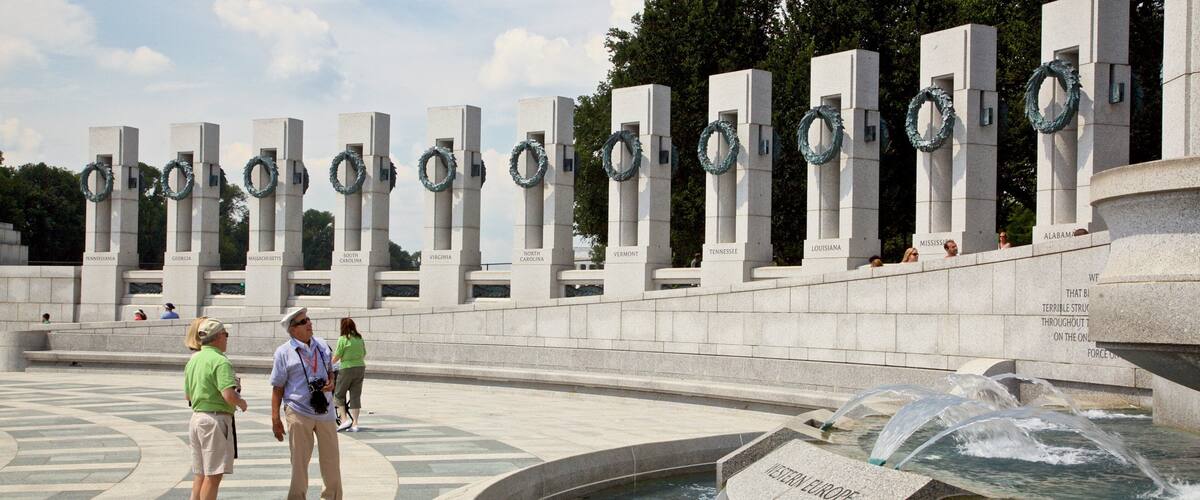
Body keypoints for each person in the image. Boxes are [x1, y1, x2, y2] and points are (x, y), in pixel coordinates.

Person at [270, 307, 342, 500]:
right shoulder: (284, 352)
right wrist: (276, 418)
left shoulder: (321, 344)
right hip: (298, 410)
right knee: (300, 462)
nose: (309, 324)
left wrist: (331, 381)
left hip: (324, 410)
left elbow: (330, 370)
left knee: (332, 460)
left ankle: (332, 497)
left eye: (308, 320)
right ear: (293, 329)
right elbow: (277, 387)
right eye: (303, 322)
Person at [184, 318, 247, 500]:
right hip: (215, 420)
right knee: (213, 476)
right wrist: (241, 402)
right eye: (226, 335)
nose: (227, 338)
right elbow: (228, 395)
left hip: (196, 418)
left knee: (200, 473)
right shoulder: (220, 361)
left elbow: (188, 396)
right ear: (219, 336)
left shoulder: (194, 360)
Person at [332, 318, 367, 432]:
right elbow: (364, 353)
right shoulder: (359, 338)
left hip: (346, 368)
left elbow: (337, 355)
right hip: (360, 367)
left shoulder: (342, 339)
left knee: (338, 394)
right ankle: (355, 424)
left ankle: (344, 419)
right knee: (355, 396)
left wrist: (328, 364)